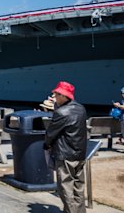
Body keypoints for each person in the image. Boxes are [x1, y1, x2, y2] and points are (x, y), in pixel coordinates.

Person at [44, 81, 87, 213]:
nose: (54, 96)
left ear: (63, 95)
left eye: (56, 94)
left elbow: (50, 133)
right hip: (79, 153)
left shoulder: (61, 113)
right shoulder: (81, 108)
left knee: (65, 188)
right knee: (78, 186)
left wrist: (46, 146)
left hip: (65, 154)